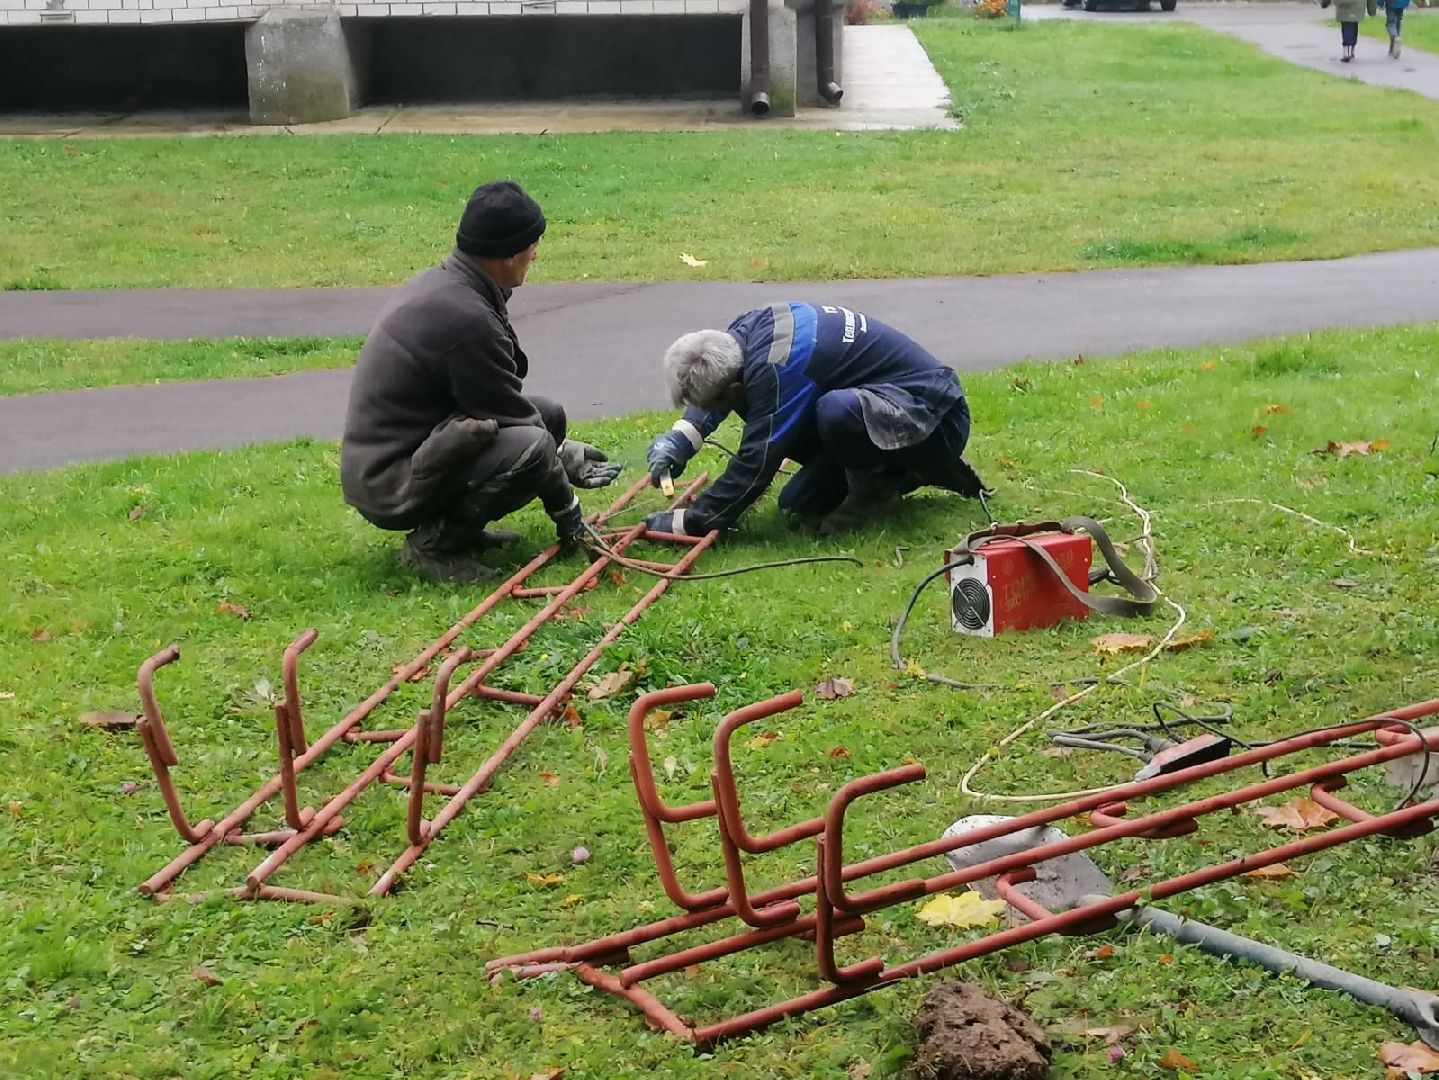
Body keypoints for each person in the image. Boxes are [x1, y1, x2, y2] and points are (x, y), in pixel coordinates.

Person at [341, 180, 622, 583]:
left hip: (423, 447)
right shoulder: (464, 317)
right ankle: (433, 546)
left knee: (549, 418)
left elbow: (511, 409)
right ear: (507, 254)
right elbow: (516, 423)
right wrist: (568, 509)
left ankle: (464, 529)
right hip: (389, 480)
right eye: (532, 244)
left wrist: (562, 449)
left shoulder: (457, 284)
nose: (536, 253)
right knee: (532, 447)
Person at [642, 302, 984, 539]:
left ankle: (889, 482)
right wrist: (680, 439)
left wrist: (693, 520)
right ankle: (904, 469)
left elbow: (757, 460)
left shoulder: (778, 369)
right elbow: (717, 394)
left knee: (835, 411)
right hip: (887, 412)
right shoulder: (739, 338)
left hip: (936, 419)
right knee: (800, 504)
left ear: (735, 386)